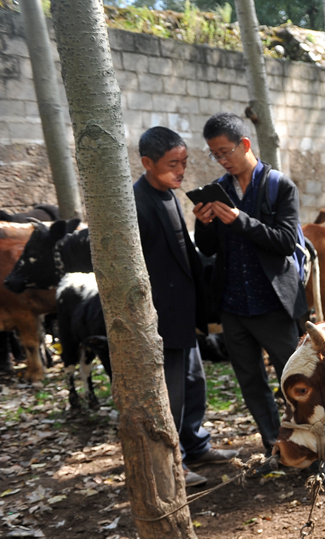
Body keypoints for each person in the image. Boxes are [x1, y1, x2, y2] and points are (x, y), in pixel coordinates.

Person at [193, 113, 325, 485]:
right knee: (251, 382)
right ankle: (275, 449)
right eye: (214, 154)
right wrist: (204, 221)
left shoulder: (280, 187)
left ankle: (323, 455)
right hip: (233, 305)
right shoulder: (218, 188)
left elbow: (283, 241)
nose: (222, 160)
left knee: (299, 382)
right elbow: (207, 248)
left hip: (274, 303)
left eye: (226, 151)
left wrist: (239, 220)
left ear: (245, 144)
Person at [135, 126, 237, 487]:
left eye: (184, 162)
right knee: (171, 393)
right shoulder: (137, 201)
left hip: (183, 311)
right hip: (162, 316)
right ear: (147, 163)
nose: (180, 171)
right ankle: (171, 462)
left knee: (193, 383)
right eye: (172, 164)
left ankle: (195, 445)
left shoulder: (169, 195)